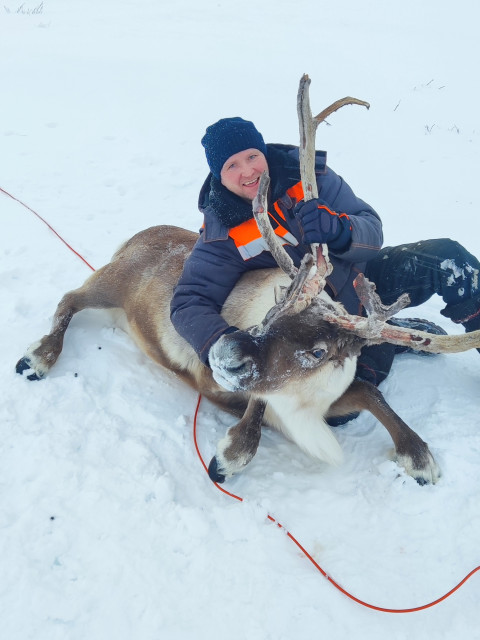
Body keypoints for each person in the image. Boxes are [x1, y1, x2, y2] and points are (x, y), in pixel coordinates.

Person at [170, 117, 480, 410]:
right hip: (326, 331)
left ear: (263, 151)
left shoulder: (307, 177)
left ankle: (386, 333)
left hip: (363, 280)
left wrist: (340, 230)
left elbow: (372, 229)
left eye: (252, 156)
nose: (247, 171)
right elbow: (189, 301)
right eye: (231, 165)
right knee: (340, 404)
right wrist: (218, 344)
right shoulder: (223, 233)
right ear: (218, 177)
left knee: (449, 260)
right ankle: (386, 336)